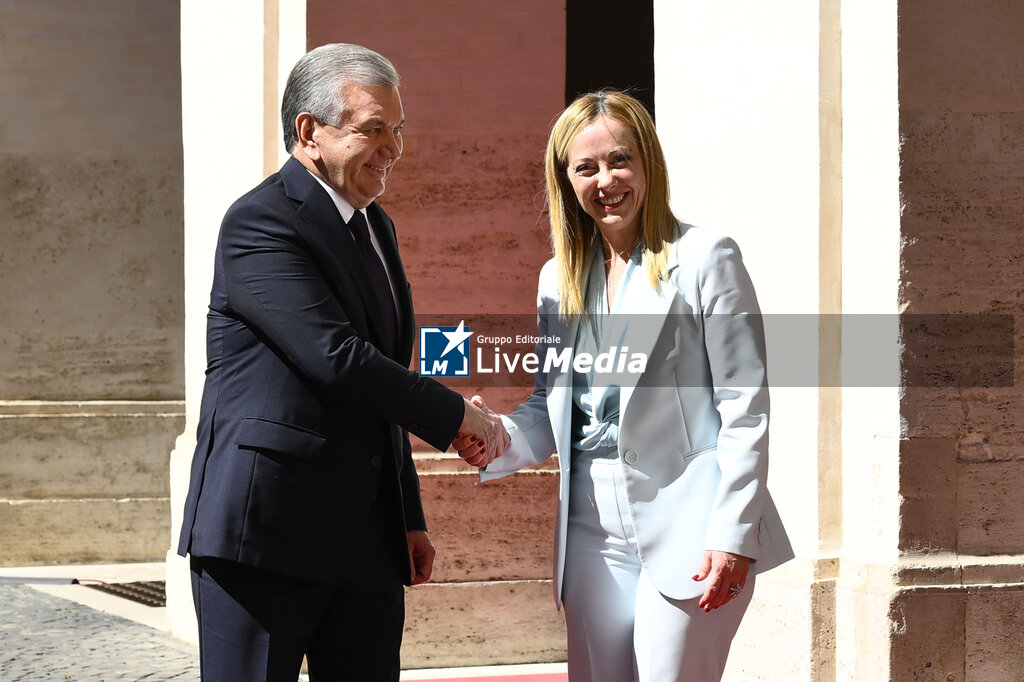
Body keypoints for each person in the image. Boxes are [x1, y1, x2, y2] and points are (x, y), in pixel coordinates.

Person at [177, 43, 505, 682]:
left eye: (398, 131)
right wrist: (459, 415)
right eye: (374, 129)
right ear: (310, 132)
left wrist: (405, 516)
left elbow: (379, 380)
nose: (393, 148)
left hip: (365, 546)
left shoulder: (377, 226)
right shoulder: (259, 222)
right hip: (265, 535)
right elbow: (338, 360)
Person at [456, 90, 794, 681]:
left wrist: (734, 534)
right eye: (585, 167)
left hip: (694, 527)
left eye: (620, 160)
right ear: (566, 180)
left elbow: (745, 408)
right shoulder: (556, 279)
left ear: (648, 164)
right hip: (589, 533)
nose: (605, 180)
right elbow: (553, 407)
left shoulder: (706, 257)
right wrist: (493, 435)